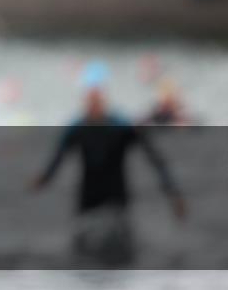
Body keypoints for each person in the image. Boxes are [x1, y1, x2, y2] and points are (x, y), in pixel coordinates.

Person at [31, 87, 186, 266]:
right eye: (90, 103)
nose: (93, 108)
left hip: (116, 195)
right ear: (85, 106)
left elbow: (153, 157)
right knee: (82, 247)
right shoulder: (77, 128)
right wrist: (42, 180)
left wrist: (172, 192)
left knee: (121, 246)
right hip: (88, 197)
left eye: (97, 103)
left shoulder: (120, 127)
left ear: (104, 105)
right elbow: (57, 158)